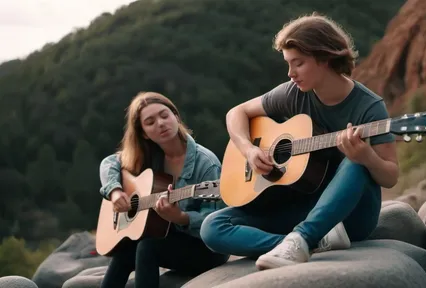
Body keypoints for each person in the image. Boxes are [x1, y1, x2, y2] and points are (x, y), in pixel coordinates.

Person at [200, 13, 399, 270]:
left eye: (298, 63)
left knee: (355, 161)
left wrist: (367, 157)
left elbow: (391, 176)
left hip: (349, 217)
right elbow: (236, 113)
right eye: (288, 63)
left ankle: (303, 238)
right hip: (301, 207)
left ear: (325, 58)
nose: (290, 73)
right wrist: (249, 150)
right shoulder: (293, 94)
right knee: (213, 227)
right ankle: (297, 243)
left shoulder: (369, 107)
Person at [98, 92, 229, 288]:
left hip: (206, 249)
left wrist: (181, 217)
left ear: (176, 117)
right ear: (143, 133)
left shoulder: (206, 163)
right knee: (124, 251)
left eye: (164, 115)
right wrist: (115, 191)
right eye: (150, 122)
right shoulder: (148, 156)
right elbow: (109, 163)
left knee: (147, 247)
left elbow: (219, 221)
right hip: (169, 238)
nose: (160, 123)